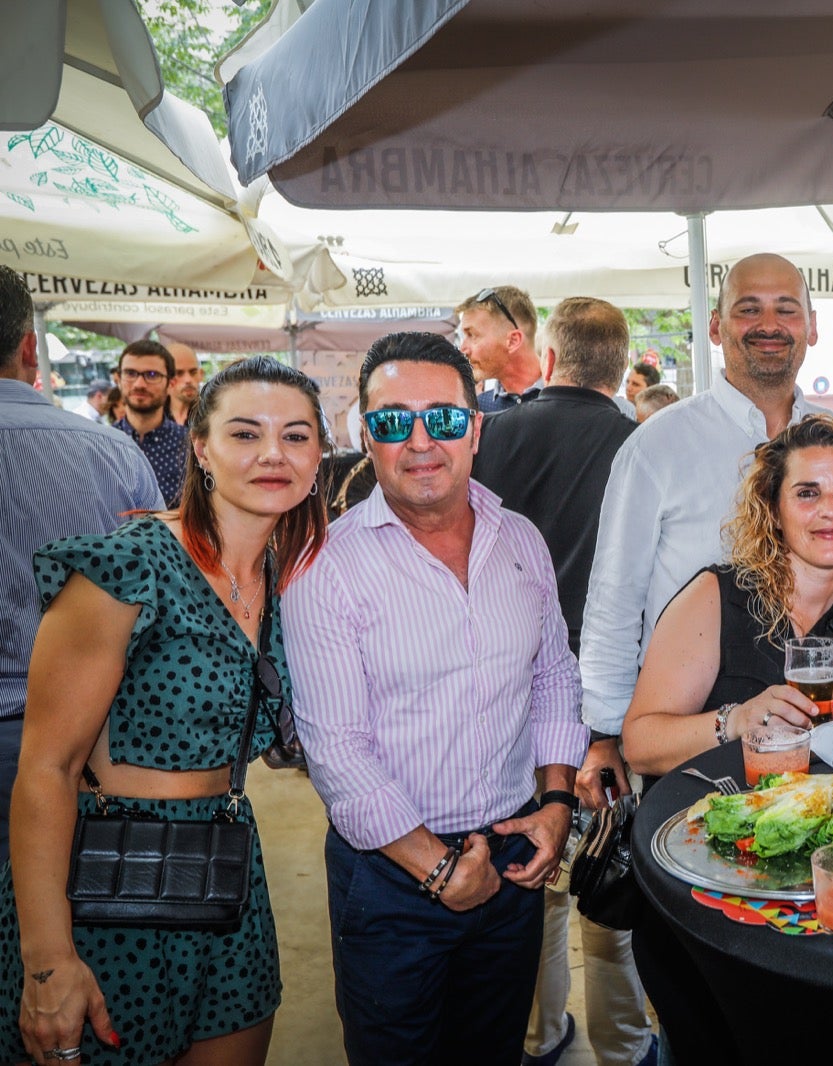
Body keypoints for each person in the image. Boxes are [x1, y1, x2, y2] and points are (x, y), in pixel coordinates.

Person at [0, 354, 329, 1066]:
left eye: (297, 436)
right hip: (107, 891)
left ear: (319, 456)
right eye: (246, 434)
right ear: (202, 449)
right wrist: (48, 960)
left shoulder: (292, 577)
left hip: (228, 881)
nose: (274, 453)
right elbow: (47, 770)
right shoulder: (129, 566)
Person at [282, 332, 587, 1066]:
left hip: (514, 858)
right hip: (390, 882)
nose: (421, 441)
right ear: (364, 435)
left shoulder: (520, 540)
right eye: (393, 421)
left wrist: (556, 805)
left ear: (475, 427)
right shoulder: (324, 566)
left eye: (444, 419)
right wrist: (440, 870)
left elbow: (553, 677)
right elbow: (337, 753)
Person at [472, 297, 656, 1066]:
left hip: (512, 688)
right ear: (619, 367)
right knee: (613, 879)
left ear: (548, 359)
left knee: (533, 873)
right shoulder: (643, 444)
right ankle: (625, 1044)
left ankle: (539, 1036)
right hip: (615, 694)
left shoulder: (494, 434)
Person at [579, 253, 830, 808]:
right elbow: (614, 598)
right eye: (748, 309)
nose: (769, 325)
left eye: (786, 309)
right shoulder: (657, 446)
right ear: (716, 327)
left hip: (815, 748)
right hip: (685, 748)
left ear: (811, 328)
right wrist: (603, 732)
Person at [622, 414, 833, 775]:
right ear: (774, 511)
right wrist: (737, 721)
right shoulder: (716, 598)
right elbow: (639, 746)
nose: (830, 509)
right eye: (807, 493)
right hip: (707, 819)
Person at [0, 267, 162, 864]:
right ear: (26, 348)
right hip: (85, 741)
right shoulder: (108, 450)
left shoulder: (112, 447)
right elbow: (155, 602)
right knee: (61, 928)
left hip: (76, 734)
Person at [112, 339, 189, 507]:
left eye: (152, 375)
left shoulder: (191, 446)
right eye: (130, 373)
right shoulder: (102, 443)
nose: (139, 384)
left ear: (171, 384)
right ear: (118, 379)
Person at [457, 285, 543, 412]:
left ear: (513, 341)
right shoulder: (479, 409)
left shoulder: (568, 398)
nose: (463, 349)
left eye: (472, 335)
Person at [167, 341, 204, 425]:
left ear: (201, 374)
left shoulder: (211, 414)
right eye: (179, 373)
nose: (188, 380)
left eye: (193, 372)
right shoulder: (152, 416)